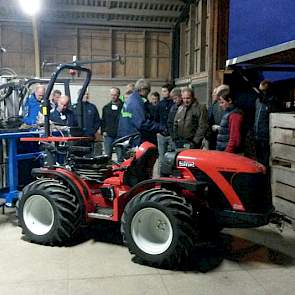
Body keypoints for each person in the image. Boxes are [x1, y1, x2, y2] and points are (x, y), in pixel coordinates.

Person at [117, 79, 165, 146]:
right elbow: (141, 123)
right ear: (143, 89)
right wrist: (161, 127)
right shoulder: (137, 102)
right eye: (148, 91)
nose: (148, 94)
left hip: (126, 136)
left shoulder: (131, 99)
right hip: (134, 139)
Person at [254, 80, 280, 166]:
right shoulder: (258, 100)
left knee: (265, 160)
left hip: (266, 136)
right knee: (258, 160)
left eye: (263, 91)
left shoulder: (272, 102)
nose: (261, 93)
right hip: (257, 134)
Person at [216, 86, 244, 153]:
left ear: (230, 100)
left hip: (229, 153)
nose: (220, 105)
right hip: (223, 150)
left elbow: (234, 139)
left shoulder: (235, 115)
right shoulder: (228, 113)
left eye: (222, 102)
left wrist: (227, 153)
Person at [155, 84, 174, 172]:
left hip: (172, 135)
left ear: (170, 92)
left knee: (172, 157)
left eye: (164, 91)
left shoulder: (174, 104)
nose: (162, 93)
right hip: (161, 134)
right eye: (162, 91)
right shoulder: (160, 104)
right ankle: (160, 176)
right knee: (161, 158)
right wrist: (157, 131)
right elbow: (156, 118)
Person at [101, 87, 123, 158]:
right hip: (108, 135)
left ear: (119, 95)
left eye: (115, 95)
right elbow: (103, 120)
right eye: (112, 95)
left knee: (120, 156)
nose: (113, 97)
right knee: (107, 157)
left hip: (120, 135)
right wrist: (103, 131)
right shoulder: (106, 107)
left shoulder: (123, 107)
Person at [207, 85, 225, 150]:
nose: (213, 95)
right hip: (213, 137)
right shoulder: (212, 105)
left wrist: (219, 127)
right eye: (213, 93)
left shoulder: (224, 106)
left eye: (215, 93)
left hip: (222, 137)